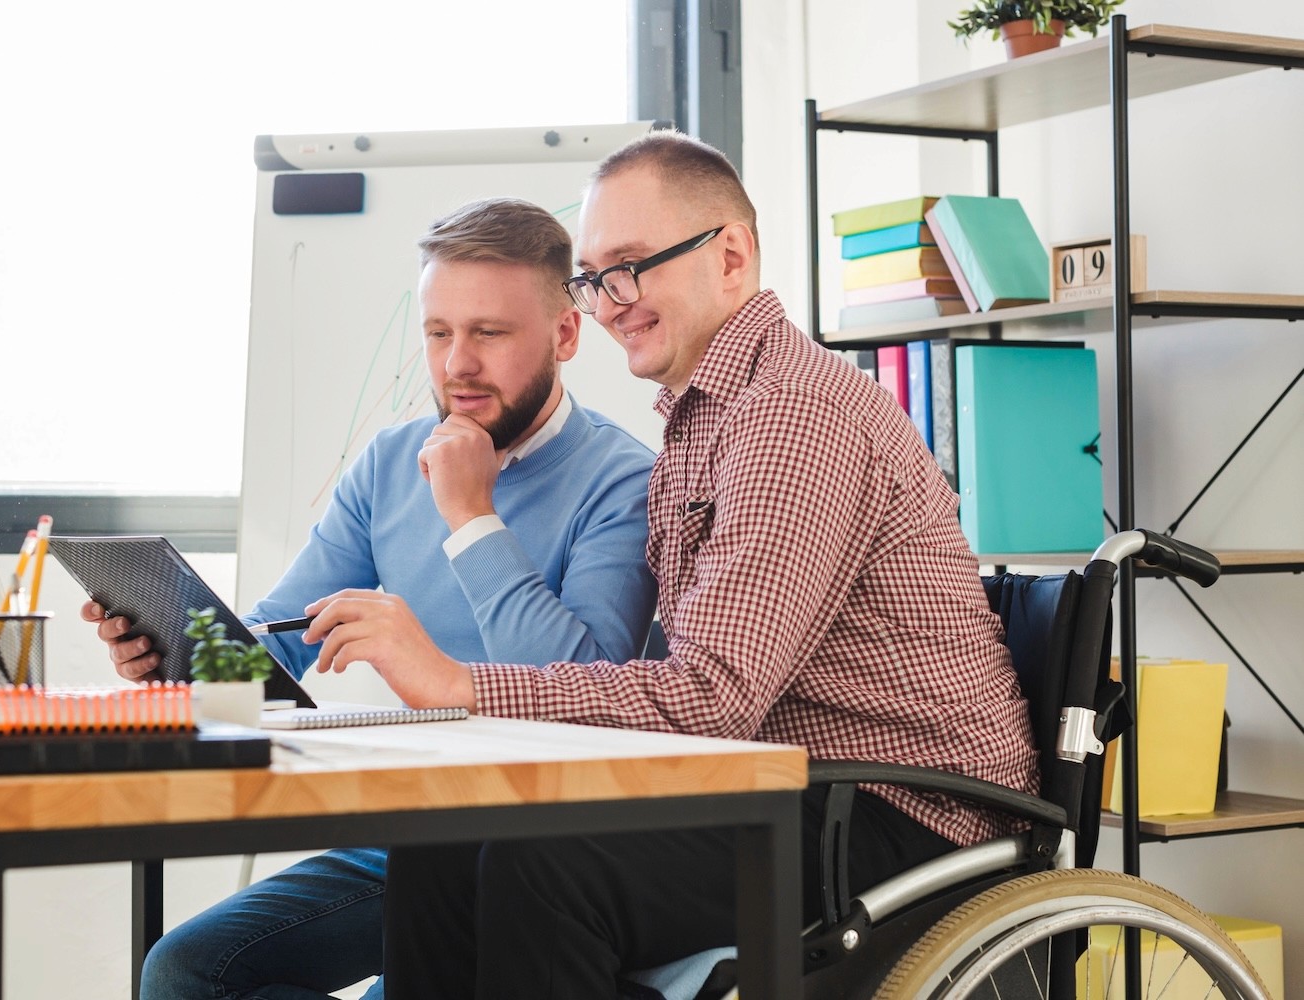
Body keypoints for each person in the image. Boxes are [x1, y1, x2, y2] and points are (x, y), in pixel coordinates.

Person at [299, 131, 1041, 1000]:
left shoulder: (793, 417)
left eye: (633, 266)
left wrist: (461, 683)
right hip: (778, 782)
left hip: (899, 811)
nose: (611, 302)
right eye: (595, 275)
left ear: (729, 257)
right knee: (446, 842)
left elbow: (711, 696)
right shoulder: (702, 421)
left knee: (549, 869)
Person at [82, 196, 659, 1000]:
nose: (457, 363)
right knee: (186, 974)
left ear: (565, 335)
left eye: (489, 333)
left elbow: (590, 685)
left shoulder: (624, 481)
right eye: (437, 333)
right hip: (413, 831)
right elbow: (274, 644)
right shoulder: (390, 462)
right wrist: (168, 658)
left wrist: (470, 514)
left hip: (537, 852)